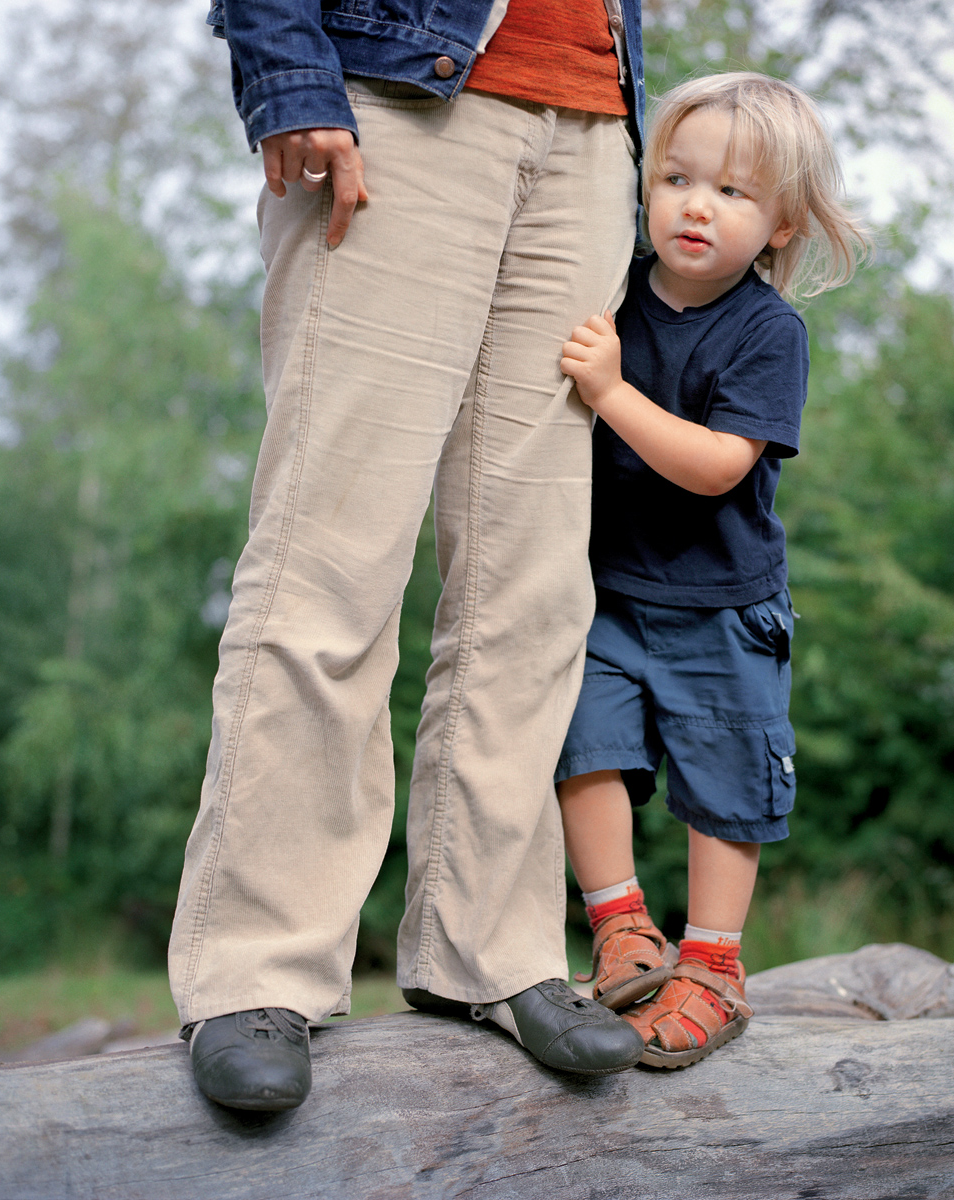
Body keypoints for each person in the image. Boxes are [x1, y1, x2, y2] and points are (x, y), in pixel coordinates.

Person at [170, 0, 648, 1111]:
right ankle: (256, 967)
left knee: (530, 587)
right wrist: (287, 73)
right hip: (403, 96)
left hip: (586, 130)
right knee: (331, 560)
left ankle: (489, 946)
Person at [555, 72, 868, 1068]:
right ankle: (622, 932)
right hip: (610, 596)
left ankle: (715, 970)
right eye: (678, 178)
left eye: (733, 192)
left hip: (725, 609)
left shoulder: (768, 331)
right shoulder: (612, 290)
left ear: (779, 225)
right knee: (579, 746)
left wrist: (607, 392)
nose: (698, 205)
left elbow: (715, 467)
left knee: (724, 786)